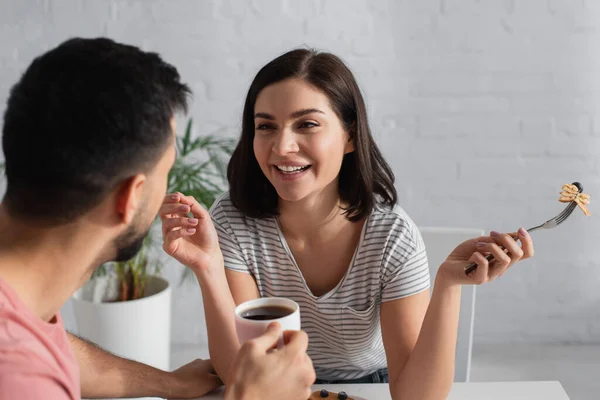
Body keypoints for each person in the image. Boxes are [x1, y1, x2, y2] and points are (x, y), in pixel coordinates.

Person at [161, 48, 534, 400]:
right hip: (274, 384)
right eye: (266, 127)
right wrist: (208, 269)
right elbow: (236, 371)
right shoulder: (231, 219)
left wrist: (449, 284)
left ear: (350, 136)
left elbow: (415, 396)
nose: (281, 146)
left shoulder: (392, 237)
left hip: (369, 385)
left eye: (306, 124)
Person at [0, 37, 314, 400]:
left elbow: (49, 345)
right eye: (166, 170)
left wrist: (168, 383)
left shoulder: (21, 312)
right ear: (130, 198)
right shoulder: (20, 375)